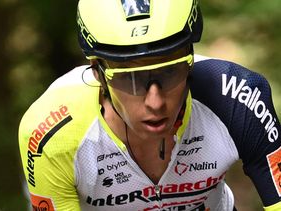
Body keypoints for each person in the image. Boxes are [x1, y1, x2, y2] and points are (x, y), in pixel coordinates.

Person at [18, 0, 281, 210]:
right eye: (129, 79)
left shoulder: (238, 97)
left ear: (189, 62)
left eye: (169, 72)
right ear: (98, 73)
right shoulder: (51, 134)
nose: (155, 102)